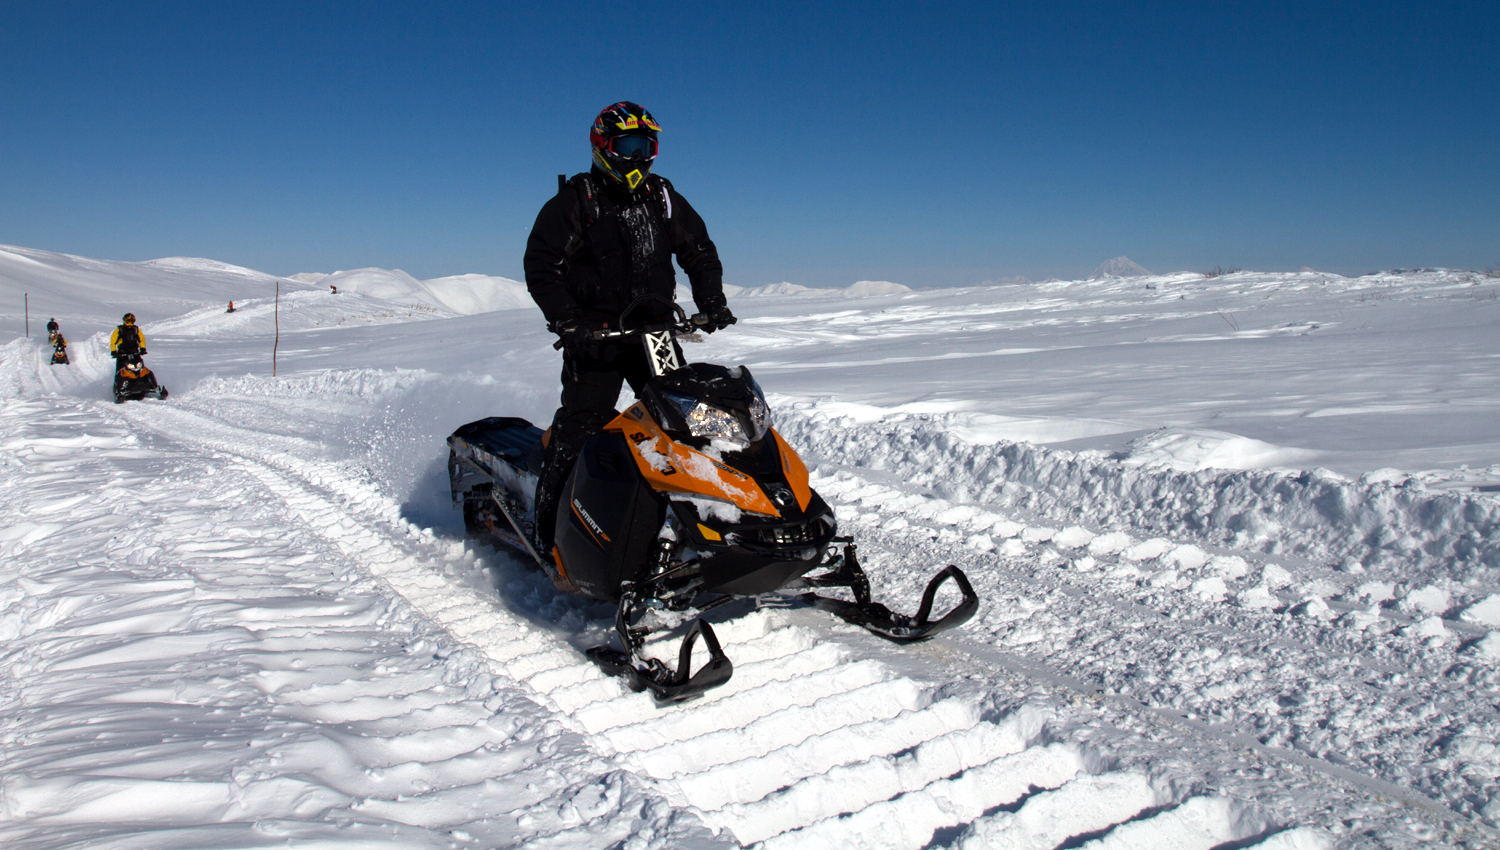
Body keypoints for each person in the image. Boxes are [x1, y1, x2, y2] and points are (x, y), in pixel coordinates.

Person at [523, 101, 736, 554]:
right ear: (604, 147)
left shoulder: (661, 197)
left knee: (685, 423)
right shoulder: (576, 201)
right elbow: (543, 266)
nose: (640, 157)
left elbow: (698, 250)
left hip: (655, 333)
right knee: (581, 429)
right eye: (630, 146)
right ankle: (549, 533)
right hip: (596, 338)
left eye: (647, 146)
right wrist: (566, 319)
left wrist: (712, 301)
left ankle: (705, 525)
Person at [109, 313, 147, 394]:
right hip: (122, 354)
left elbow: (141, 339)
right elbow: (113, 341)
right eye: (128, 321)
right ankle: (118, 388)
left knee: (141, 368)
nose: (130, 323)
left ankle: (147, 383)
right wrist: (114, 351)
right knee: (120, 370)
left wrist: (142, 348)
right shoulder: (119, 330)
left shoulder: (136, 329)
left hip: (135, 352)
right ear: (124, 321)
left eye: (131, 321)